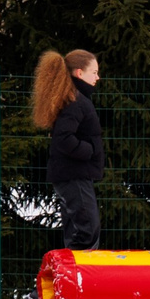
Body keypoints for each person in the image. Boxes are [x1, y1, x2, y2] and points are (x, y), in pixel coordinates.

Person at [33, 50, 105, 251]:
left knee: (76, 227)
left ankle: (72, 273)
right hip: (74, 174)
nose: (98, 77)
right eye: (94, 72)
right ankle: (81, 273)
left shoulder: (73, 98)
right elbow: (63, 138)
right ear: (80, 73)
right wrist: (88, 151)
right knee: (88, 228)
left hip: (72, 173)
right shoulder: (76, 101)